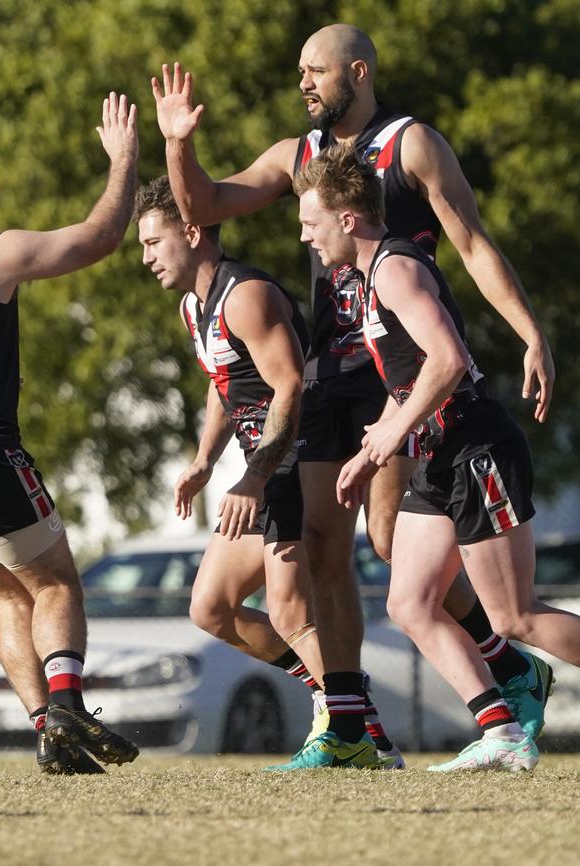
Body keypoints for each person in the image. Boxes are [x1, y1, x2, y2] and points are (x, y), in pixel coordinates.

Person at [150, 24, 555, 752]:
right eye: (299, 70)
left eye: (316, 70)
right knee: (321, 542)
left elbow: (471, 242)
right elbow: (203, 205)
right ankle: (347, 727)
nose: (303, 82)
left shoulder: (411, 144)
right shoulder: (296, 155)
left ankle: (506, 665)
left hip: (398, 377)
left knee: (396, 543)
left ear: (357, 72)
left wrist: (530, 332)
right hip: (329, 374)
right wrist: (178, 142)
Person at [294, 140, 580, 770]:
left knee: (515, 617)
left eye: (311, 224)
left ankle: (511, 708)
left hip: (477, 448)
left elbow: (448, 362)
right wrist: (377, 444)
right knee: (409, 602)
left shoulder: (394, 267)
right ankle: (501, 730)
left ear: (346, 218)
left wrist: (393, 435)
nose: (307, 239)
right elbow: (412, 375)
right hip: (439, 457)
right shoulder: (365, 279)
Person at [134, 175, 394, 770]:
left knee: (287, 608)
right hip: (261, 469)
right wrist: (203, 459)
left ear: (194, 232)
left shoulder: (245, 295)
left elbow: (290, 385)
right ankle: (344, 705)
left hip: (298, 460)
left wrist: (253, 476)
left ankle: (355, 731)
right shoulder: (191, 306)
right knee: (211, 609)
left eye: (155, 242)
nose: (146, 257)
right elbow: (223, 382)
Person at [0, 93, 140, 774]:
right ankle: (67, 704)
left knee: (5, 592)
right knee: (55, 583)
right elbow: (100, 236)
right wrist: (124, 160)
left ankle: (48, 736)